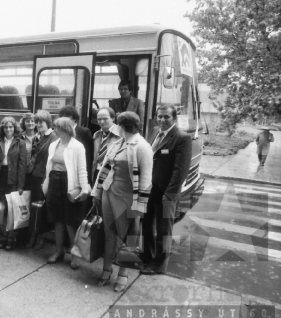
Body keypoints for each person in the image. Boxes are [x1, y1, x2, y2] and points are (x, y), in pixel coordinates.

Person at [92, 111, 153, 292]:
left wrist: (140, 207)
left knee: (126, 238)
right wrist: (97, 192)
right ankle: (106, 269)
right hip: (108, 195)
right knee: (109, 233)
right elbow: (105, 168)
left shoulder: (142, 146)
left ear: (122, 125)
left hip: (128, 200)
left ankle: (123, 274)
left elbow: (146, 180)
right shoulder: (118, 143)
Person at [141, 104, 192, 275]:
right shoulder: (155, 131)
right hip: (149, 188)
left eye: (166, 117)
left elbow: (180, 171)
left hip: (166, 192)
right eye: (160, 116)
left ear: (174, 119)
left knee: (163, 230)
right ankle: (147, 256)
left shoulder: (181, 138)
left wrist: (169, 195)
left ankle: (158, 265)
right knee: (146, 223)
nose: (162, 120)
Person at [42, 117, 91, 270]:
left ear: (65, 129)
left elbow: (82, 170)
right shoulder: (54, 144)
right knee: (57, 218)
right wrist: (45, 184)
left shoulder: (78, 147)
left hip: (69, 184)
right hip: (54, 182)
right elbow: (49, 166)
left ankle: (75, 255)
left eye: (56, 128)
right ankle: (59, 251)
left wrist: (84, 189)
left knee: (71, 221)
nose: (54, 130)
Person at [0, 117, 27, 251]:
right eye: (6, 127)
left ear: (14, 128)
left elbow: (22, 165)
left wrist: (21, 185)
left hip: (13, 179)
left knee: (12, 210)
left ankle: (11, 236)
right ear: (2, 129)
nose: (8, 130)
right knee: (3, 209)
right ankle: (4, 235)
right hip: (1, 177)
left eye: (11, 127)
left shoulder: (20, 143)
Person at [25, 110, 58, 249]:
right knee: (33, 207)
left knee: (40, 208)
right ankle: (33, 234)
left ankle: (39, 237)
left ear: (48, 123)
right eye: (36, 122)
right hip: (33, 176)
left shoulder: (53, 137)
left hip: (43, 178)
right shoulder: (40, 136)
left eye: (41, 122)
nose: (38, 124)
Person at [58, 106, 94, 184]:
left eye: (67, 118)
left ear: (74, 118)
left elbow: (88, 157)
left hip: (78, 173)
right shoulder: (60, 133)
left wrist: (86, 181)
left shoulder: (84, 132)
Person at [91, 107, 121, 183]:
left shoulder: (121, 134)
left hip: (113, 174)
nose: (101, 122)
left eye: (105, 119)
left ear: (113, 118)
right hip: (97, 172)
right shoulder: (96, 135)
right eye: (99, 119)